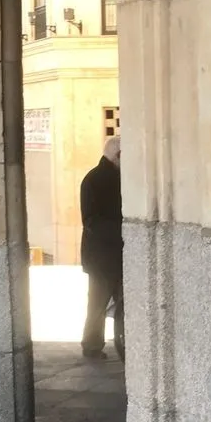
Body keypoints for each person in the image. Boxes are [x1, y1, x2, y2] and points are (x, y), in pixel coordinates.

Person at [79, 135, 124, 360]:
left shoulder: (118, 177)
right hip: (101, 257)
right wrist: (123, 228)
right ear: (118, 155)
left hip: (117, 254)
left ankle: (126, 343)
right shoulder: (93, 180)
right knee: (97, 303)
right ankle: (92, 344)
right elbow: (91, 221)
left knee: (124, 304)